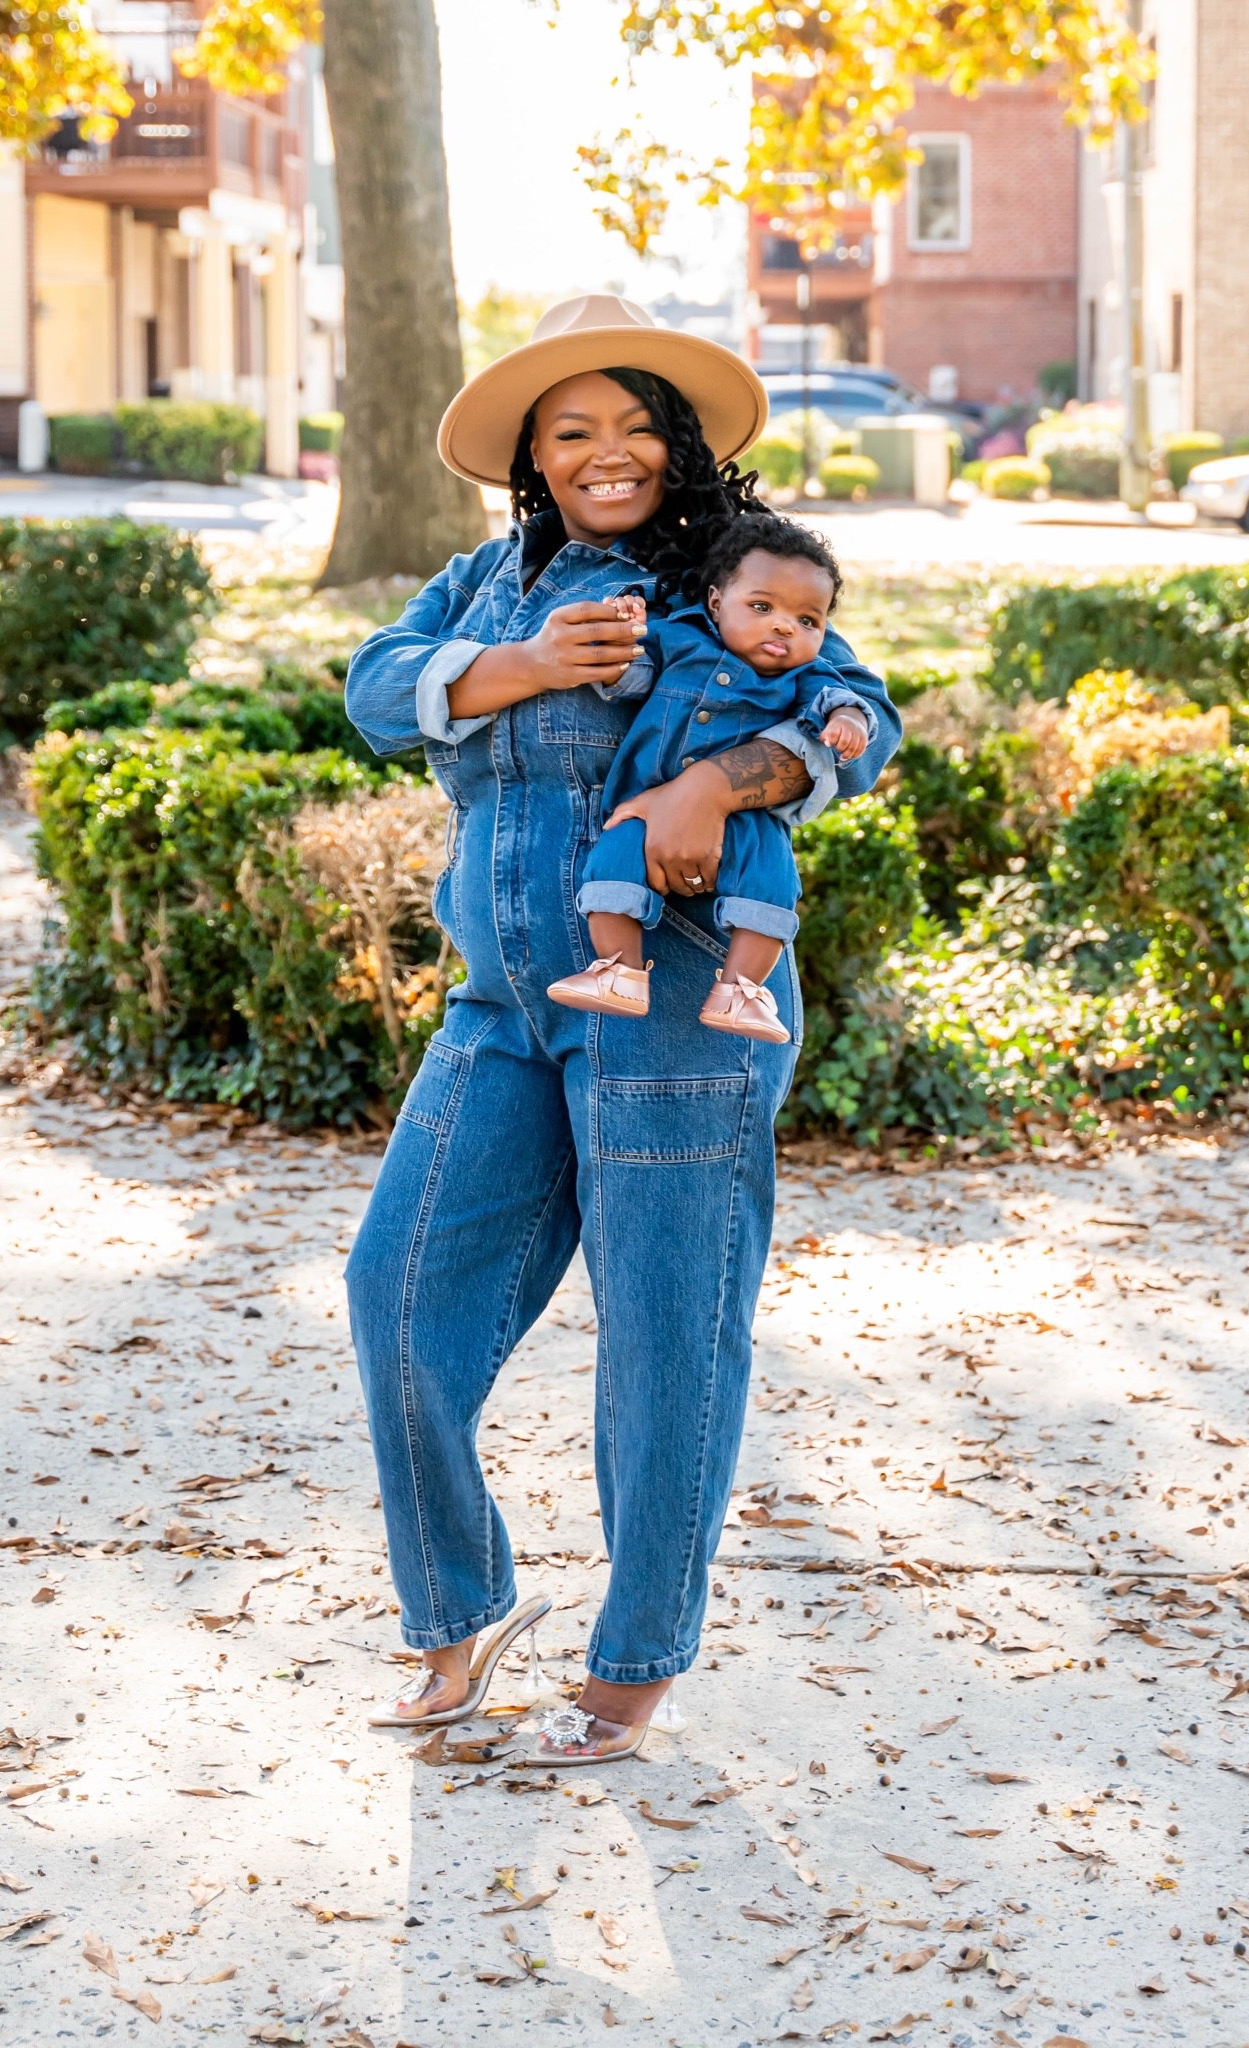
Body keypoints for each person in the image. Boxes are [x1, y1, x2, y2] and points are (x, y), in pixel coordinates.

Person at [342, 294, 901, 1765]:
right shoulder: (484, 579)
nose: (607, 452)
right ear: (530, 452)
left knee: (663, 1337)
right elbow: (373, 688)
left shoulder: (722, 568)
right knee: (397, 1289)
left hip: (680, 1008)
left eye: (637, 427)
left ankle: (635, 1663)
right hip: (503, 1001)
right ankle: (459, 1611)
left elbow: (858, 711)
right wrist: (522, 663)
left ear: (682, 446)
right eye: (572, 428)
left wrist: (721, 783)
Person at [548, 513, 874, 1045]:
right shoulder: (679, 637)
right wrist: (624, 636)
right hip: (645, 808)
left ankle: (742, 991)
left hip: (751, 820)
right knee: (612, 860)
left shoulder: (806, 674)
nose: (784, 627)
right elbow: (631, 673)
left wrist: (848, 721)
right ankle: (619, 971)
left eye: (807, 620)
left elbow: (842, 699)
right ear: (717, 602)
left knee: (772, 881)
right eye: (762, 607)